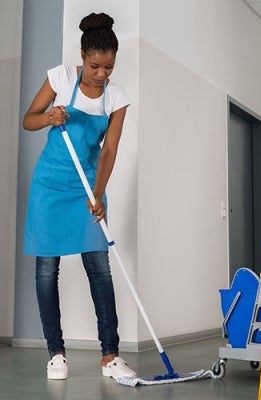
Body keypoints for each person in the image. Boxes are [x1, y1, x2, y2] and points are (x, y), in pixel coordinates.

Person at [23, 12, 136, 380]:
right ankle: (56, 353)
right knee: (46, 270)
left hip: (87, 187)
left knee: (99, 268)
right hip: (49, 186)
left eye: (109, 67)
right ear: (84, 55)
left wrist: (99, 194)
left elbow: (109, 151)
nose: (102, 74)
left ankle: (110, 355)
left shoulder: (116, 97)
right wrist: (50, 117)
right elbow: (29, 119)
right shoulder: (61, 77)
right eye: (95, 66)